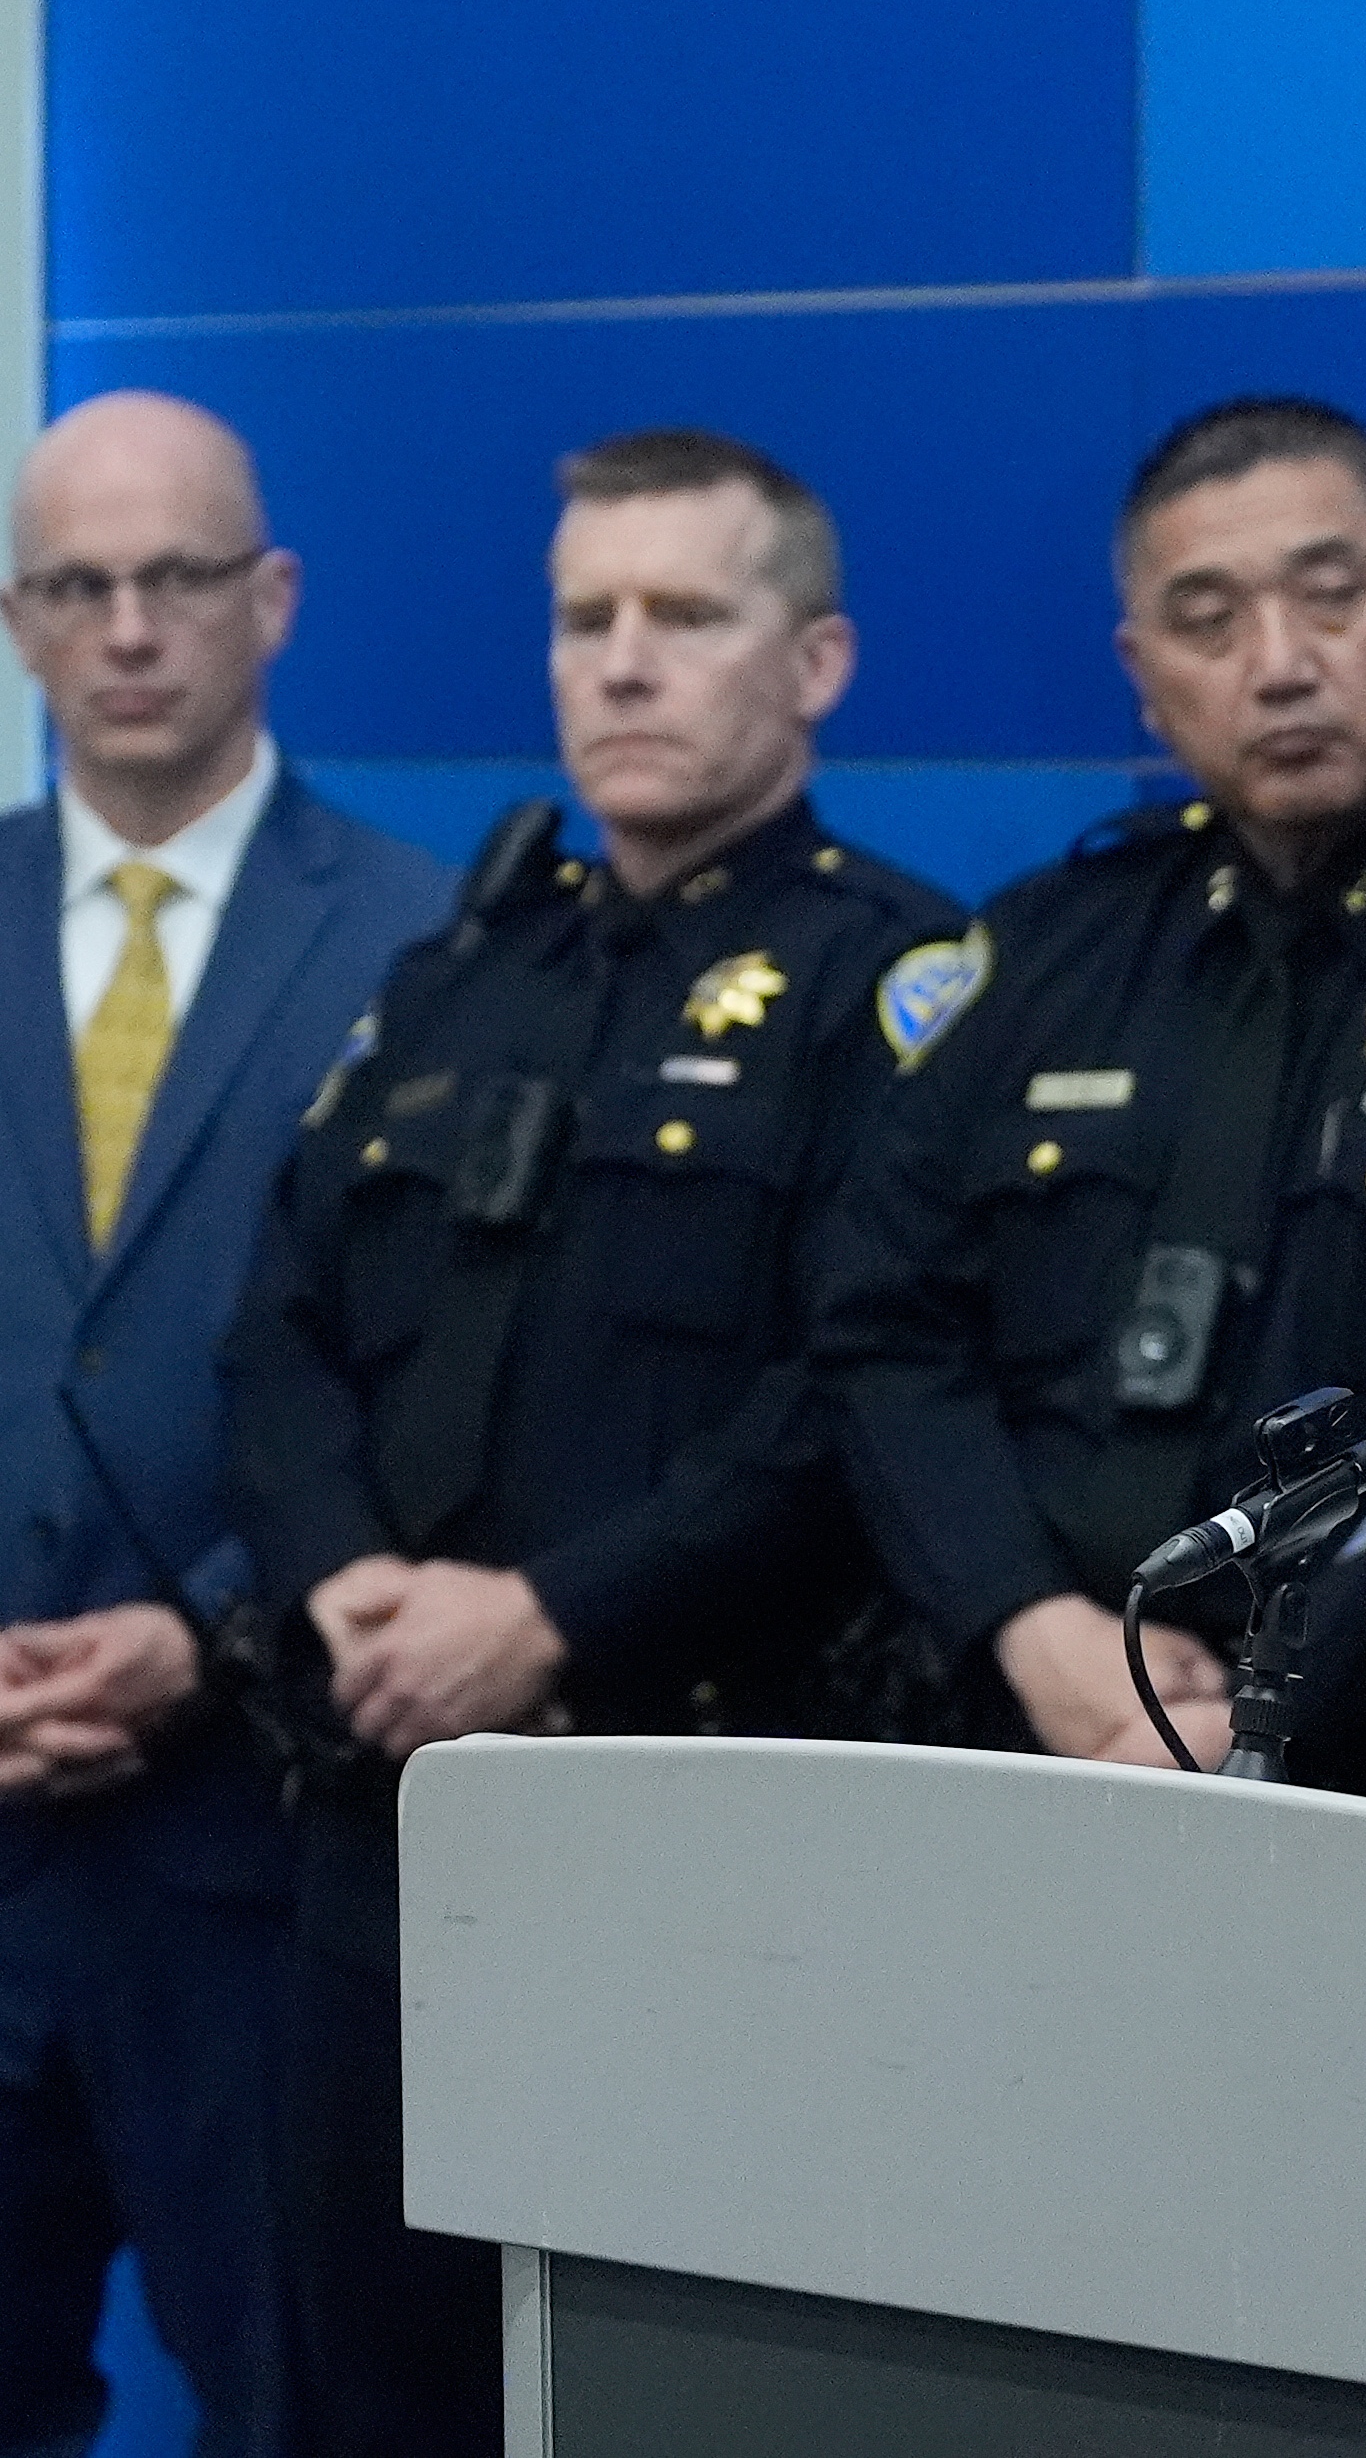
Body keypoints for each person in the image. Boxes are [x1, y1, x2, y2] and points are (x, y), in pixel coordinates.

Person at [222, 428, 958, 2456]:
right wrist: (338, 1581)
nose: (621, 665)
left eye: (684, 617)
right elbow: (279, 1330)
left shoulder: (888, 985)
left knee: (670, 2404)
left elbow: (854, 1399)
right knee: (367, 2395)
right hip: (378, 1821)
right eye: (584, 619)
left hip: (690, 1833)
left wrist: (546, 1617)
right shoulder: (460, 973)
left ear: (812, 664)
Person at [809, 397, 1366, 1802]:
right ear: (1143, 679)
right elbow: (881, 1324)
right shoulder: (1049, 948)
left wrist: (1283, 1699)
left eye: (1332, 599)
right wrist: (1029, 1625)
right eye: (1208, 621)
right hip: (1038, 1741)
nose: (1280, 667)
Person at [0, 395, 444, 2458]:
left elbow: (437, 1400)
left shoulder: (429, 948)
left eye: (176, 577)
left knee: (299, 2412)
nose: (130, 629)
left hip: (250, 1848)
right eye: (78, 587)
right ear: (19, 625)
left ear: (269, 599)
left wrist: (211, 1633)